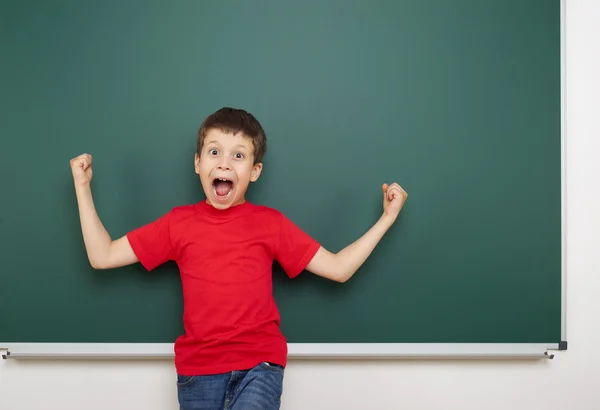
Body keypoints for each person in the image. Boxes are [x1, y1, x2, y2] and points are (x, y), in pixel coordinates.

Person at [69, 107, 408, 410]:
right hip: (197, 375)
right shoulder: (177, 223)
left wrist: (387, 218)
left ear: (255, 170)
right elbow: (103, 255)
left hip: (259, 367)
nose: (224, 163)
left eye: (238, 156)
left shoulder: (270, 224)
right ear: (198, 163)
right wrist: (82, 187)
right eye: (214, 152)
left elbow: (338, 268)